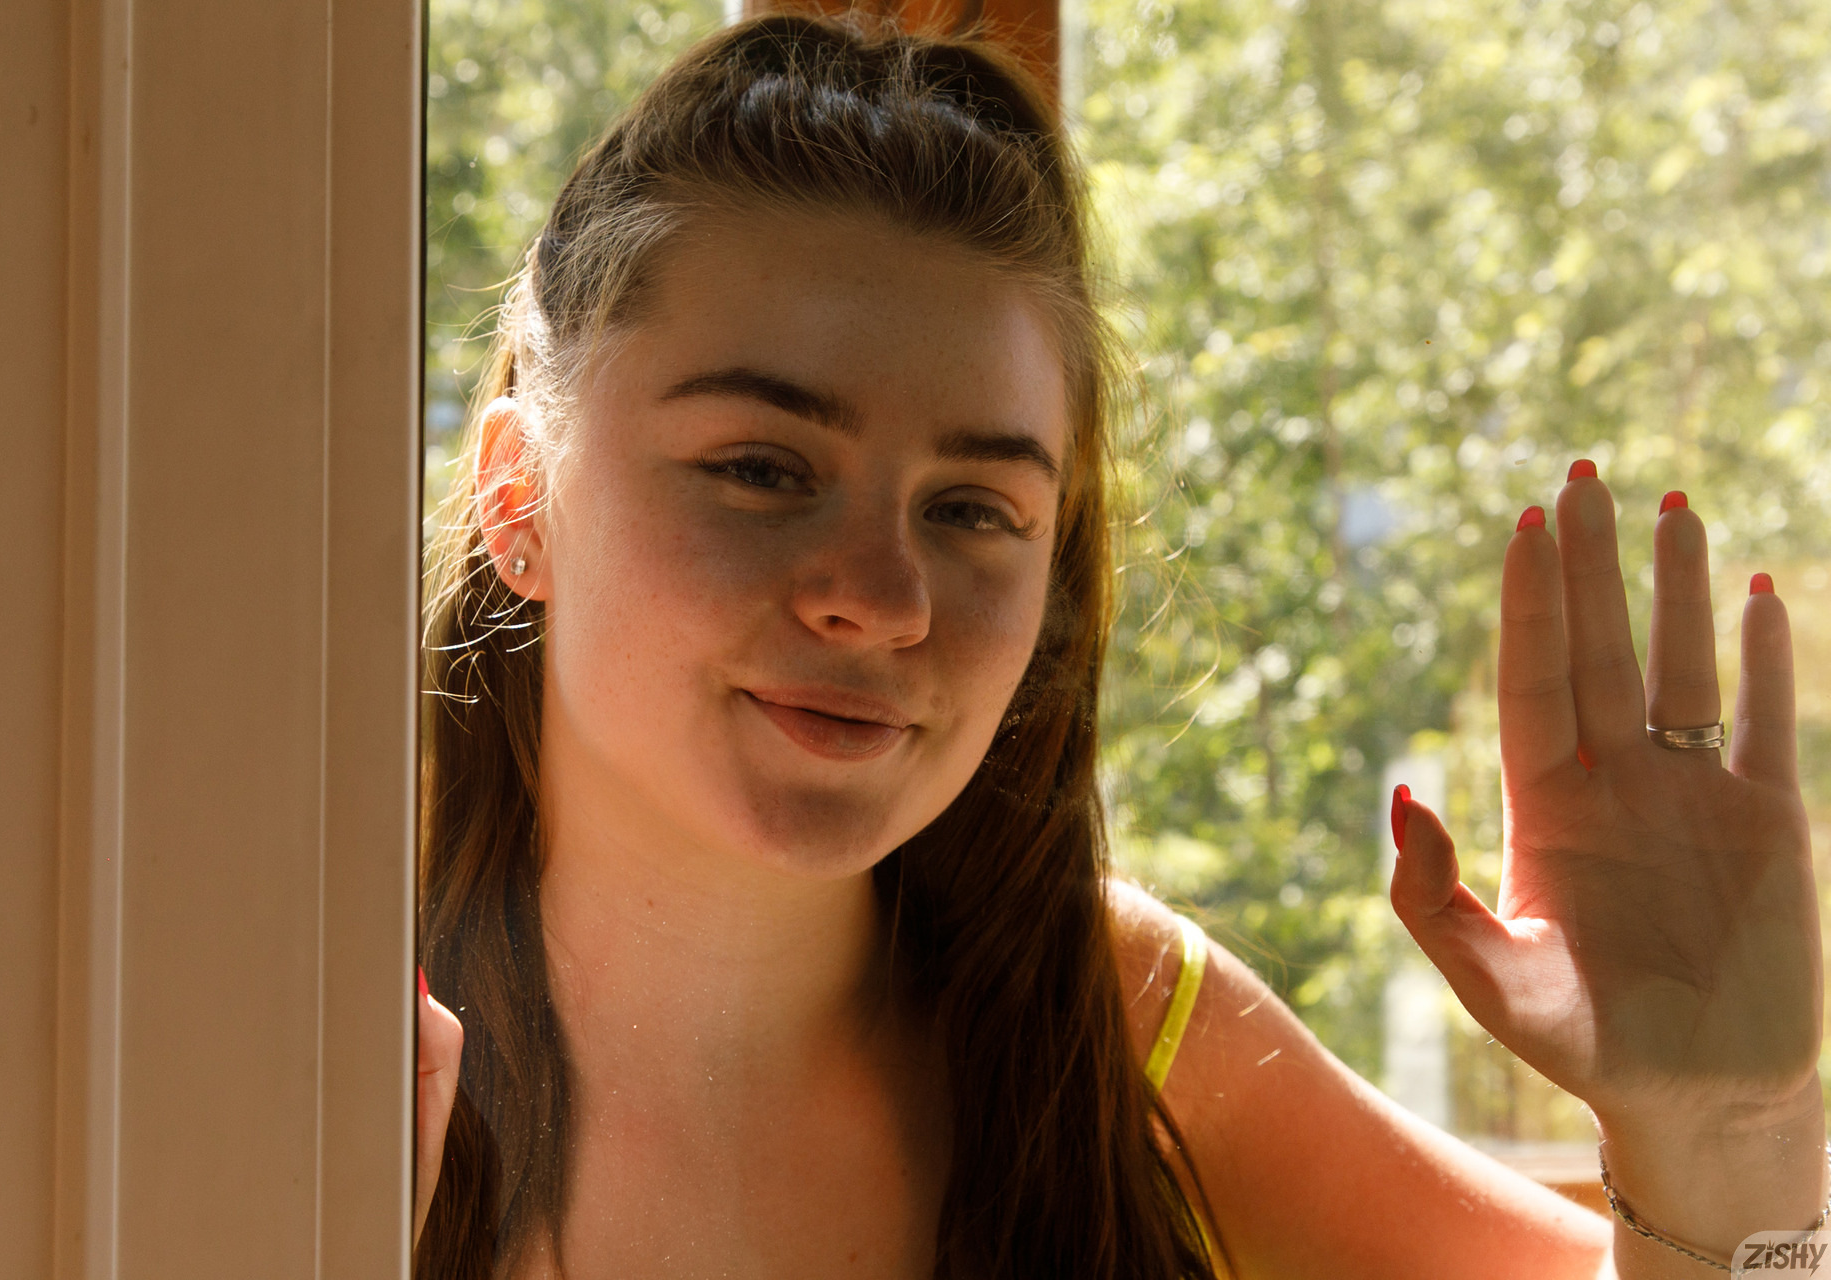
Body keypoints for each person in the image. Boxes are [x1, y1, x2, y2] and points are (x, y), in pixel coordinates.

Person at [410, 14, 1826, 1278]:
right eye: (763, 471)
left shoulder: (1119, 1026)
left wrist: (1730, 1137)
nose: (884, 598)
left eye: (973, 508)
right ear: (518, 499)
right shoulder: (315, 1015)